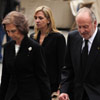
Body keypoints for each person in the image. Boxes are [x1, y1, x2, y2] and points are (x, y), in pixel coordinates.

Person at [0, 11, 51, 100]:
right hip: (11, 96)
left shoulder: (35, 48)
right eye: (8, 31)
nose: (10, 35)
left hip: (30, 96)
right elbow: (5, 77)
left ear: (22, 28)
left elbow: (42, 78)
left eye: (13, 31)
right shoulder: (8, 47)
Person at [59, 7, 100, 100]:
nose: (81, 31)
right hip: (76, 95)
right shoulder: (72, 37)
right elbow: (68, 69)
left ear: (95, 23)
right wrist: (64, 91)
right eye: (79, 27)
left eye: (85, 27)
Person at [30, 5, 67, 98]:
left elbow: (62, 64)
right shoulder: (32, 37)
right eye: (35, 18)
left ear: (48, 20)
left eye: (40, 18)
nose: (37, 20)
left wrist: (60, 87)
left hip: (52, 85)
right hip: (35, 84)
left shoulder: (58, 38)